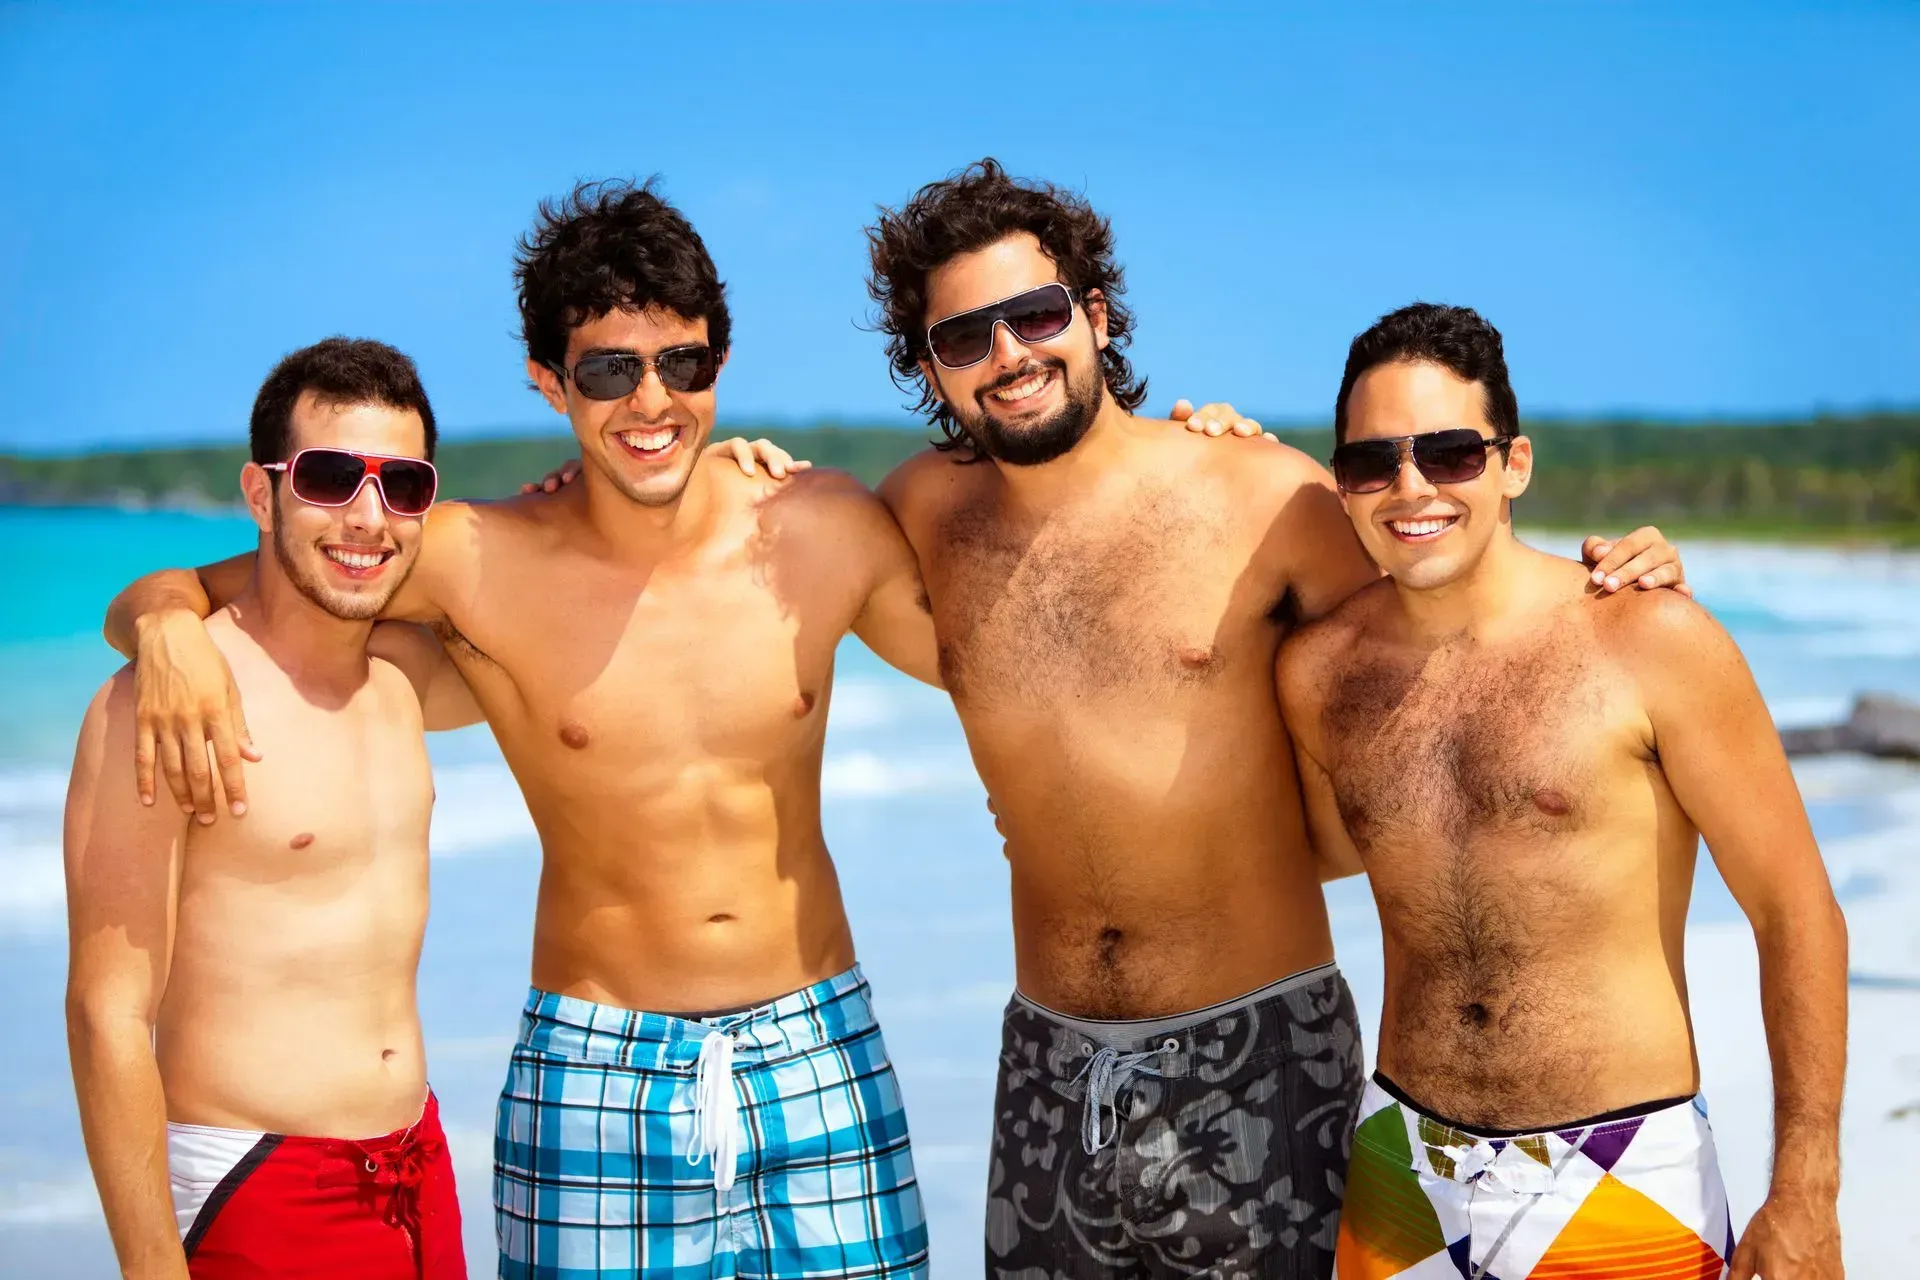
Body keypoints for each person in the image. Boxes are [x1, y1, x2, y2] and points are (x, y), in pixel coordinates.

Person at [102, 182, 942, 1279]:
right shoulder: (473, 556)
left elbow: (999, 650)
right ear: (550, 382)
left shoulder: (821, 525)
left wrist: (1170, 452)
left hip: (818, 1042)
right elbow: (231, 588)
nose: (652, 400)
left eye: (681, 363)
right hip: (595, 1066)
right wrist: (163, 625)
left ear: (718, 368)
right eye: (608, 369)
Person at [864, 160, 1688, 1279]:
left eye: (1036, 313)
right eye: (964, 336)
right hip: (1050, 1069)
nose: (1008, 353)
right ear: (931, 366)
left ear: (1094, 318)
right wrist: (732, 471)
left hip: (1253, 1054)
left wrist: (1615, 576)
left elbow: (1452, 607)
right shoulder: (919, 512)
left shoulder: (1261, 499)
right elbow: (769, 563)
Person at [1278, 303, 1846, 1280]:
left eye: (1451, 452)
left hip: (1620, 1174)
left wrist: (1806, 1187)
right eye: (1372, 462)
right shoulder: (1319, 673)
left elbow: (1795, 911)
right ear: (1342, 484)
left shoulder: (1647, 638)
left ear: (1516, 465)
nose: (1410, 487)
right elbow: (1315, 855)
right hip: (1400, 1168)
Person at [66, 338, 476, 1278]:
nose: (368, 518)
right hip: (261, 1184)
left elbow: (576, 593)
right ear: (263, 494)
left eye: (402, 486)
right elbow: (106, 1016)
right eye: (332, 477)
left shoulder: (407, 679)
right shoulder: (164, 698)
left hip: (419, 1170)